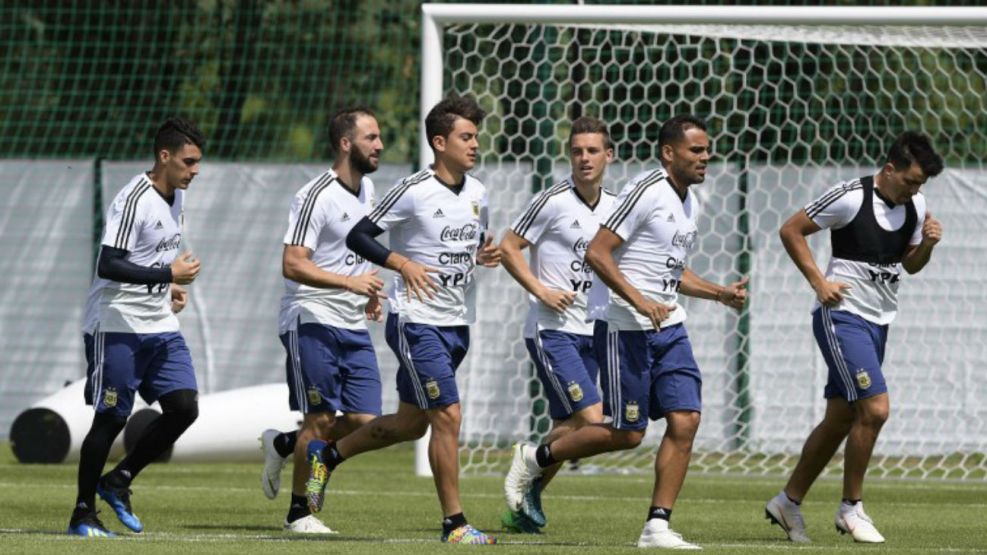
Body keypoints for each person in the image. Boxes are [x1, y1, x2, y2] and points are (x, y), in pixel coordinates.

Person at [504, 114, 748, 549]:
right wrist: (638, 301)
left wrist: (718, 293)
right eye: (696, 150)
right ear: (669, 153)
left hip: (669, 326)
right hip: (623, 328)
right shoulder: (645, 191)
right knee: (627, 432)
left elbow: (671, 273)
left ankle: (657, 525)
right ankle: (537, 458)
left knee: (686, 418)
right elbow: (599, 254)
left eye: (707, 149)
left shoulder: (691, 201)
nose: (705, 157)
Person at [304, 95, 501, 544]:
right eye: (465, 137)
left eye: (475, 136)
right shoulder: (413, 189)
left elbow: (472, 244)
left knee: (412, 424)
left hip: (456, 323)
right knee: (448, 415)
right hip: (416, 322)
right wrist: (401, 264)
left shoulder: (477, 192)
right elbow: (359, 236)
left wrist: (482, 255)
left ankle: (328, 456)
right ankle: (455, 525)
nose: (474, 145)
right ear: (439, 142)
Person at [765, 132, 944, 545]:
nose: (916, 191)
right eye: (911, 181)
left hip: (879, 321)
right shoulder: (849, 197)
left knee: (841, 418)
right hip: (841, 317)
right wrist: (818, 282)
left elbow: (911, 266)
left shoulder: (914, 205)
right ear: (889, 170)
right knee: (876, 409)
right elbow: (791, 230)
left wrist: (929, 244)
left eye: (921, 185)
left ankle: (787, 502)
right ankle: (851, 508)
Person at [68, 117, 205, 537]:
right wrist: (167, 276)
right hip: (117, 323)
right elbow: (108, 263)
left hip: (158, 322)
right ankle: (82, 513)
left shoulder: (175, 195)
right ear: (164, 156)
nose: (194, 170)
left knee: (184, 407)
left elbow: (150, 260)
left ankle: (119, 480)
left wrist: (168, 292)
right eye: (188, 162)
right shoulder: (134, 199)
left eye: (197, 162)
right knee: (111, 419)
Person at [257, 107, 387, 534]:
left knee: (367, 423)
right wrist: (348, 283)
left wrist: (368, 291)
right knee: (321, 420)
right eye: (370, 137)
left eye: (379, 137)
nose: (380, 145)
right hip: (310, 317)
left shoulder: (369, 190)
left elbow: (359, 252)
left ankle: (282, 444)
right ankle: (299, 513)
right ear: (346, 143)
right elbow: (293, 264)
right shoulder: (314, 195)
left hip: (351, 321)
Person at [498, 116, 618, 533]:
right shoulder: (551, 201)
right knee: (592, 418)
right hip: (553, 330)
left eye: (592, 150)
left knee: (569, 428)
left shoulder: (618, 208)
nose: (584, 158)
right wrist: (540, 290)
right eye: (577, 151)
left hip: (596, 332)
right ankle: (527, 463)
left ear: (609, 155)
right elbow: (509, 247)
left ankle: (524, 505)